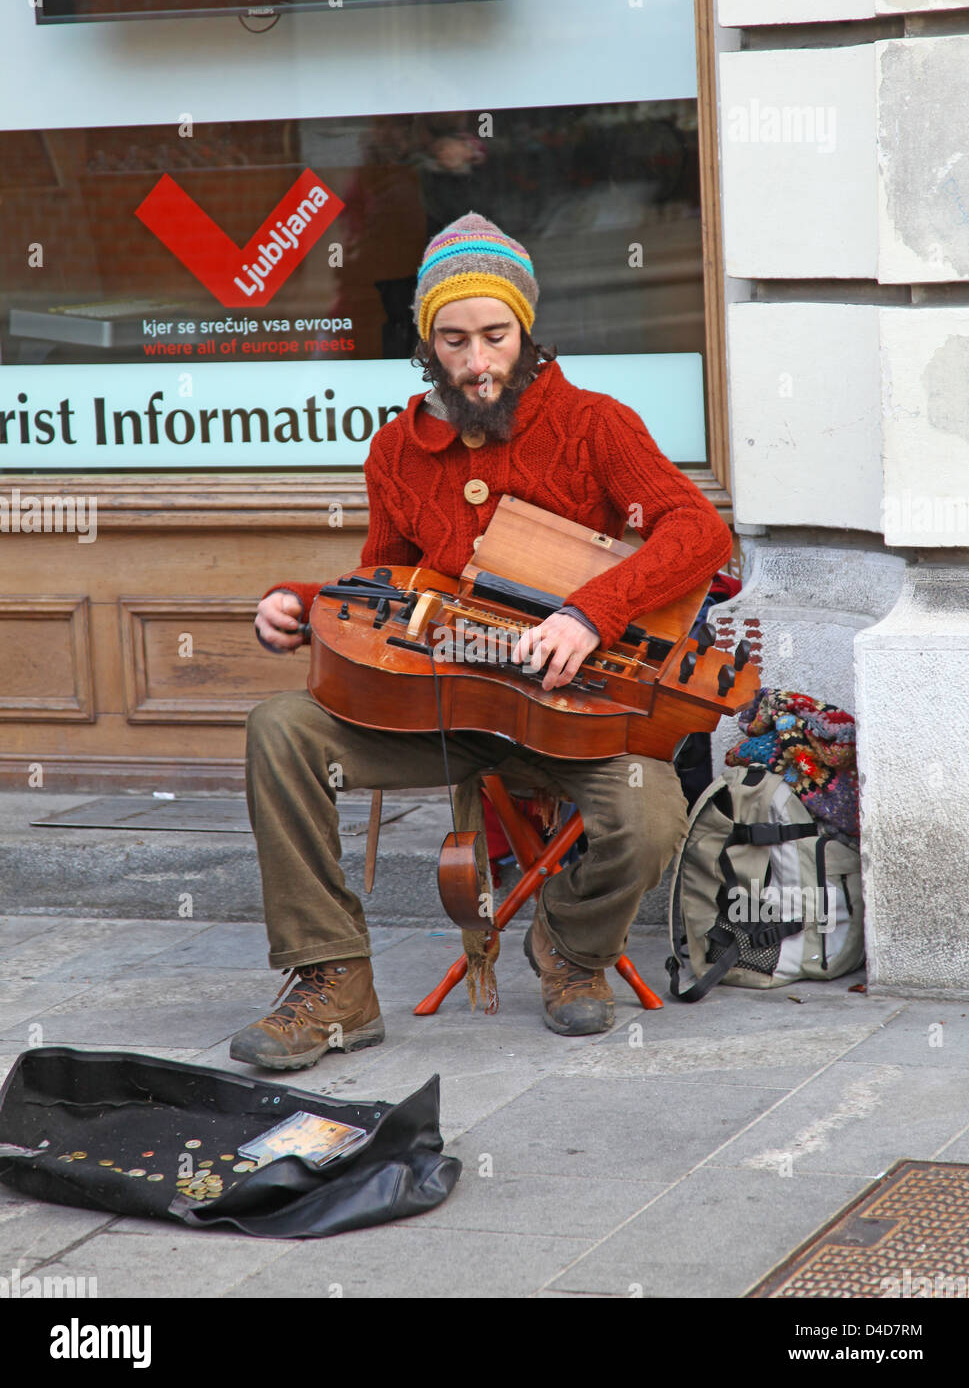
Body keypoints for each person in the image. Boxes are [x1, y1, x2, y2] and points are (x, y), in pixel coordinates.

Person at [230, 212, 732, 1071]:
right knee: (281, 727)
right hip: (447, 708)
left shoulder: (592, 423)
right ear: (427, 344)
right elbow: (389, 584)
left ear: (523, 331)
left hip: (575, 715)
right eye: (453, 339)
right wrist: (301, 602)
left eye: (494, 335)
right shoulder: (396, 450)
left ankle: (570, 950)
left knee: (651, 818)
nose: (476, 361)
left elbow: (695, 532)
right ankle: (334, 980)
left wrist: (590, 613)